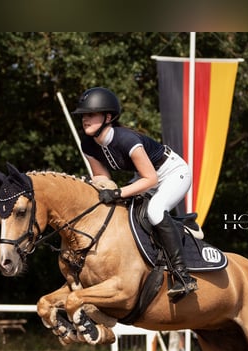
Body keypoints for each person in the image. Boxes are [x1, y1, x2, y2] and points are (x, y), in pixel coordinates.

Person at [72, 86, 198, 302]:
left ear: (108, 117)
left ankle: (183, 276)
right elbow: (103, 181)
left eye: (91, 114)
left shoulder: (126, 139)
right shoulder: (88, 144)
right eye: (84, 115)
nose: (85, 119)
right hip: (145, 177)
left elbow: (151, 179)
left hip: (172, 172)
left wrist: (119, 192)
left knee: (155, 210)